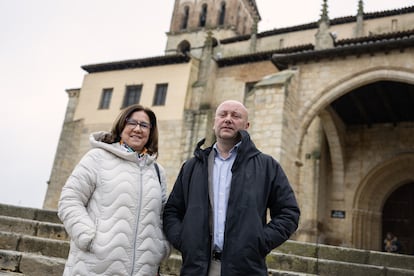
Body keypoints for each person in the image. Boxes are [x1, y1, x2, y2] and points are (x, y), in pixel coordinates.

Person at [163, 100, 300, 275]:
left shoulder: (267, 166)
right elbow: (172, 211)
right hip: (197, 268)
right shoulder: (192, 167)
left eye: (235, 116)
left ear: (247, 125)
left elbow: (288, 213)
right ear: (214, 123)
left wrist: (259, 242)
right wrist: (184, 240)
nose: (228, 119)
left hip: (245, 269)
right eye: (223, 114)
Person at [58, 104, 170, 276]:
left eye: (144, 125)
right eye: (132, 122)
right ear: (121, 126)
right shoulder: (97, 157)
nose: (138, 129)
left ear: (151, 131)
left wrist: (161, 247)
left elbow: (162, 215)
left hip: (143, 270)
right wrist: (88, 237)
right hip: (93, 267)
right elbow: (70, 200)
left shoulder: (157, 172)